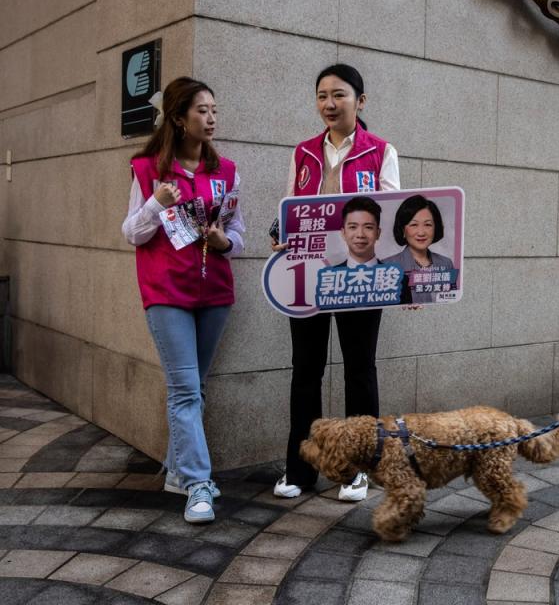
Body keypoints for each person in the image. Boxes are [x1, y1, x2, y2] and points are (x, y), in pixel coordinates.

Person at [273, 64, 400, 501]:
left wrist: (407, 281)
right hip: (309, 276)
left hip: (360, 277)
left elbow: (390, 215)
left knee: (359, 369)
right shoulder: (303, 152)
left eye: (339, 95)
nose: (329, 103)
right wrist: (281, 235)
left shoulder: (380, 151)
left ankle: (359, 468)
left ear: (360, 101)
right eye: (322, 95)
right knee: (305, 370)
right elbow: (291, 209)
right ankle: (301, 468)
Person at [122, 77, 245, 524]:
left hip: (215, 291)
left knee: (195, 388)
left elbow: (239, 234)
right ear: (178, 118)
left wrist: (223, 240)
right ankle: (198, 484)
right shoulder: (147, 169)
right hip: (166, 292)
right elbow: (131, 234)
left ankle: (177, 470)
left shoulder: (226, 170)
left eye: (214, 109)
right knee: (184, 389)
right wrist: (155, 203)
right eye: (201, 111)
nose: (211, 118)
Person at [383, 194, 455, 304]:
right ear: (403, 229)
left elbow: (452, 300)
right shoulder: (387, 266)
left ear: (436, 227)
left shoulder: (446, 263)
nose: (421, 232)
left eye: (427, 225)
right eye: (414, 225)